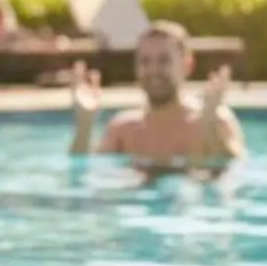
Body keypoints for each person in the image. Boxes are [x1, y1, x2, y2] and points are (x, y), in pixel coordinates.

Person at [69, 21, 246, 169]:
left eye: (164, 61)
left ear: (187, 65)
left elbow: (235, 170)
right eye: (145, 61)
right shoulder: (124, 129)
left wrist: (210, 127)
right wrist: (84, 125)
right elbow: (84, 172)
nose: (154, 70)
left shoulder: (214, 120)